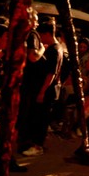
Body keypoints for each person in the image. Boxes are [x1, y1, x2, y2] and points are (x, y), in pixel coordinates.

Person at [19, 21, 63, 157]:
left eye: (41, 35)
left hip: (47, 91)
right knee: (38, 118)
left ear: (47, 34)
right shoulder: (55, 47)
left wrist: (42, 92)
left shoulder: (54, 50)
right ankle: (34, 143)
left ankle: (38, 145)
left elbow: (51, 73)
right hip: (47, 90)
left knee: (41, 120)